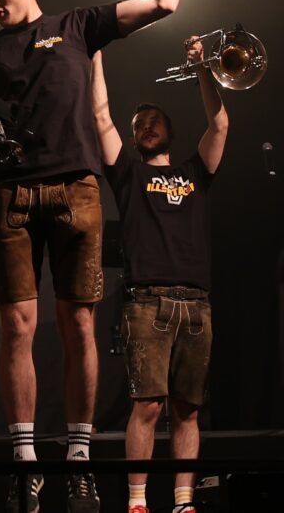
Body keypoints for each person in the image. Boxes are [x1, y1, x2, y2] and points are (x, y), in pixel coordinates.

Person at [0, 0, 192, 513]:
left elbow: (164, 4)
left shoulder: (77, 26)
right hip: (10, 194)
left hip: (75, 190)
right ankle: (25, 463)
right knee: (17, 327)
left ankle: (79, 459)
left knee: (79, 326)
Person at [91, 40, 226, 513]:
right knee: (147, 406)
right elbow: (101, 118)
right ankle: (137, 502)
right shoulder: (128, 175)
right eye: (139, 125)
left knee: (187, 410)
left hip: (197, 304)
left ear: (170, 129)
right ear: (134, 139)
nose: (146, 126)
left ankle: (183, 502)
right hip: (147, 303)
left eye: (154, 121)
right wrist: (95, 57)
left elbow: (220, 125)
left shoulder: (195, 172)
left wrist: (203, 69)